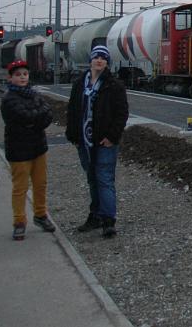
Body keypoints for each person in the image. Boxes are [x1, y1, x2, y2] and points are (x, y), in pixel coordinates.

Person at [66, 45, 128, 238]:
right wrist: (73, 135)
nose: (99, 60)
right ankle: (95, 216)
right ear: (91, 60)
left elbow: (121, 113)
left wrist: (112, 137)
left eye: (103, 58)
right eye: (96, 57)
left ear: (107, 62)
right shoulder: (79, 84)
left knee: (104, 179)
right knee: (92, 179)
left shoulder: (114, 85)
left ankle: (109, 221)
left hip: (104, 141)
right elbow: (73, 109)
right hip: (84, 140)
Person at [0, 59, 55, 241]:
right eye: (18, 75)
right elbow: (20, 117)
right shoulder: (8, 99)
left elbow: (48, 114)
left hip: (38, 147)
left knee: (41, 184)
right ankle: (19, 222)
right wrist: (36, 119)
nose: (22, 77)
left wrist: (34, 120)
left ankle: (40, 215)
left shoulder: (34, 94)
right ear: (11, 78)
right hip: (19, 149)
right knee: (20, 187)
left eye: (24, 74)